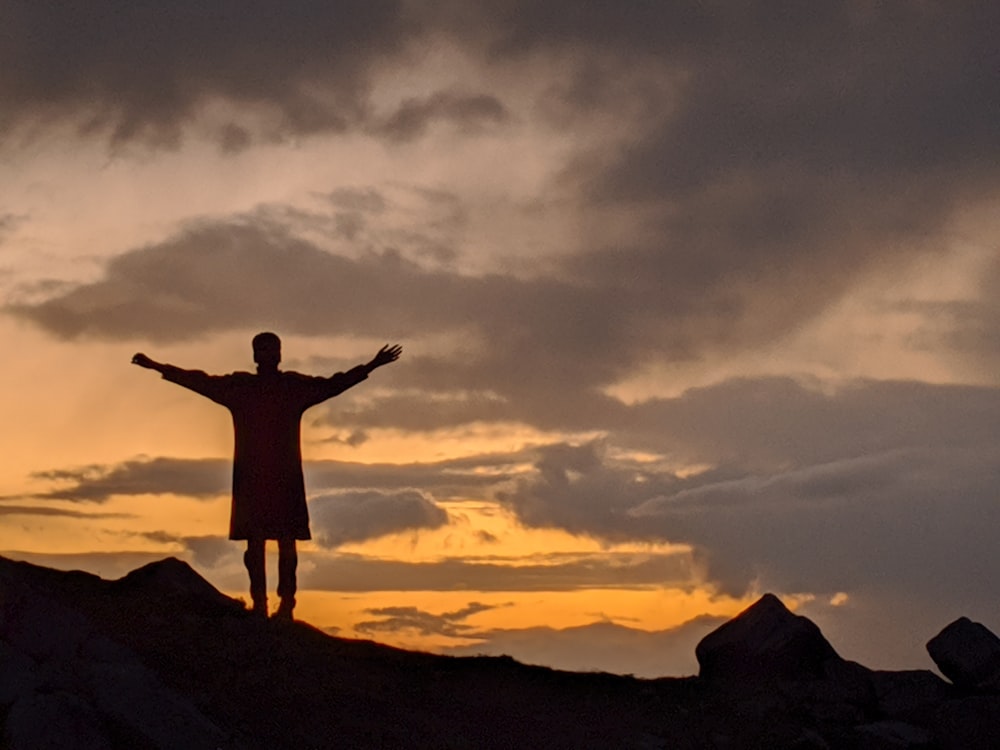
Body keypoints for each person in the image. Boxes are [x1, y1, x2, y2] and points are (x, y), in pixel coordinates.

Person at [132, 333, 401, 620]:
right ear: (256, 355)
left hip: (281, 479)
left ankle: (286, 604)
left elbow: (333, 384)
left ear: (279, 354)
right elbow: (198, 380)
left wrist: (371, 365)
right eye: (263, 349)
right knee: (257, 543)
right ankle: (260, 603)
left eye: (272, 348)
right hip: (255, 478)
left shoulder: (289, 387)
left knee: (285, 543)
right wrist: (158, 366)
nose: (268, 354)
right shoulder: (244, 388)